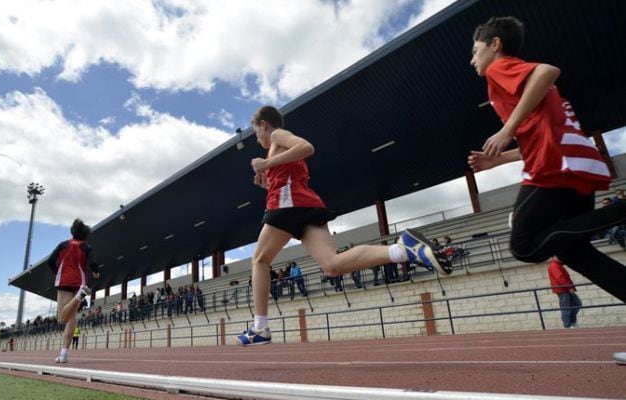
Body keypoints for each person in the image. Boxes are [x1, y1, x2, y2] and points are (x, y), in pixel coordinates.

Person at [466, 17, 626, 362]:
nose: (472, 60)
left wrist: (507, 128)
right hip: (576, 162)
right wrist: (500, 159)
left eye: (475, 51)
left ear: (494, 44)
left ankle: (622, 208)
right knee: (575, 252)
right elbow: (540, 129)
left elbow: (548, 70)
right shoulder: (521, 85)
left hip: (555, 167)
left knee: (523, 246)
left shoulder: (501, 68)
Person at [237, 105, 451, 346]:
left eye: (257, 134)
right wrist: (267, 183)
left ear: (264, 125)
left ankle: (260, 328)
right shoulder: (278, 153)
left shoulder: (277, 136)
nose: (259, 139)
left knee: (259, 261)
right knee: (332, 265)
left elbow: (307, 147)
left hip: (288, 205)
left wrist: (267, 164)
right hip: (306, 205)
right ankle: (404, 250)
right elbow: (289, 177)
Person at [47, 218, 101, 363]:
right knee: (71, 319)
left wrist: (58, 272)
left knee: (62, 318)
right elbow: (93, 263)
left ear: (72, 232)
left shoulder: (63, 245)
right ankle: (63, 353)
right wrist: (96, 272)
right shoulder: (87, 247)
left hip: (65, 281)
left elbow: (50, 261)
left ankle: (79, 296)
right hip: (80, 282)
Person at [548, 257, 582, 328]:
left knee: (577, 303)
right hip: (562, 290)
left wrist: (570, 287)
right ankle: (568, 326)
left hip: (566, 288)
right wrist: (569, 287)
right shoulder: (554, 266)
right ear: (554, 257)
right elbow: (560, 277)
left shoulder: (558, 265)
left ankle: (572, 321)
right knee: (566, 308)